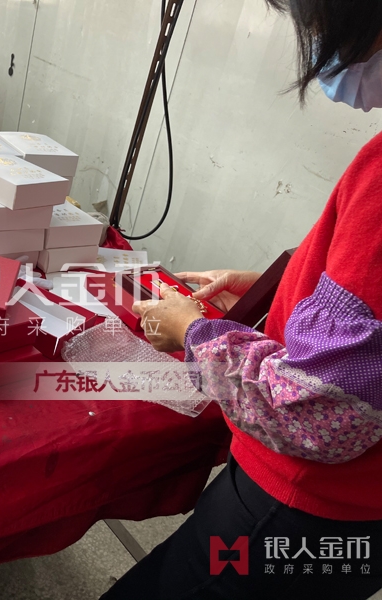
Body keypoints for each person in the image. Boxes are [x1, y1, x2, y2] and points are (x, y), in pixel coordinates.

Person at [100, 1, 382, 599]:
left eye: (314, 26)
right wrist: (282, 287)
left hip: (305, 507)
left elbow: (320, 415)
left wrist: (192, 332)